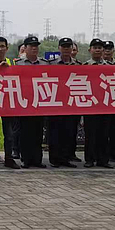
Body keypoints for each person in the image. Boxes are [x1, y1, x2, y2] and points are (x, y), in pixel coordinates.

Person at [15, 36, 49, 168]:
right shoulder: (18, 64)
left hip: (40, 102)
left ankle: (37, 159)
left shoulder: (45, 64)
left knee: (38, 132)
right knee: (25, 132)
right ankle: (26, 159)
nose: (34, 48)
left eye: (36, 46)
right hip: (25, 102)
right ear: (25, 48)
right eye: (31, 46)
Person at [47, 38, 79, 168]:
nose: (66, 49)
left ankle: (66, 158)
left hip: (71, 103)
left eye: (68, 46)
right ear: (59, 48)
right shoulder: (51, 64)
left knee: (69, 132)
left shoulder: (78, 65)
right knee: (54, 132)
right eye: (64, 46)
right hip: (55, 103)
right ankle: (54, 159)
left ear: (72, 48)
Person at [0, 37, 19, 169]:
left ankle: (9, 158)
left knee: (9, 133)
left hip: (7, 102)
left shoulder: (13, 63)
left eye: (2, 46)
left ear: (7, 48)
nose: (0, 49)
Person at [83, 38, 113, 168]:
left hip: (105, 105)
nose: (97, 50)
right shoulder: (84, 66)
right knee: (90, 134)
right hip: (90, 105)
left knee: (104, 134)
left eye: (100, 48)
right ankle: (89, 159)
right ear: (90, 50)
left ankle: (103, 160)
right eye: (95, 48)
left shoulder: (109, 67)